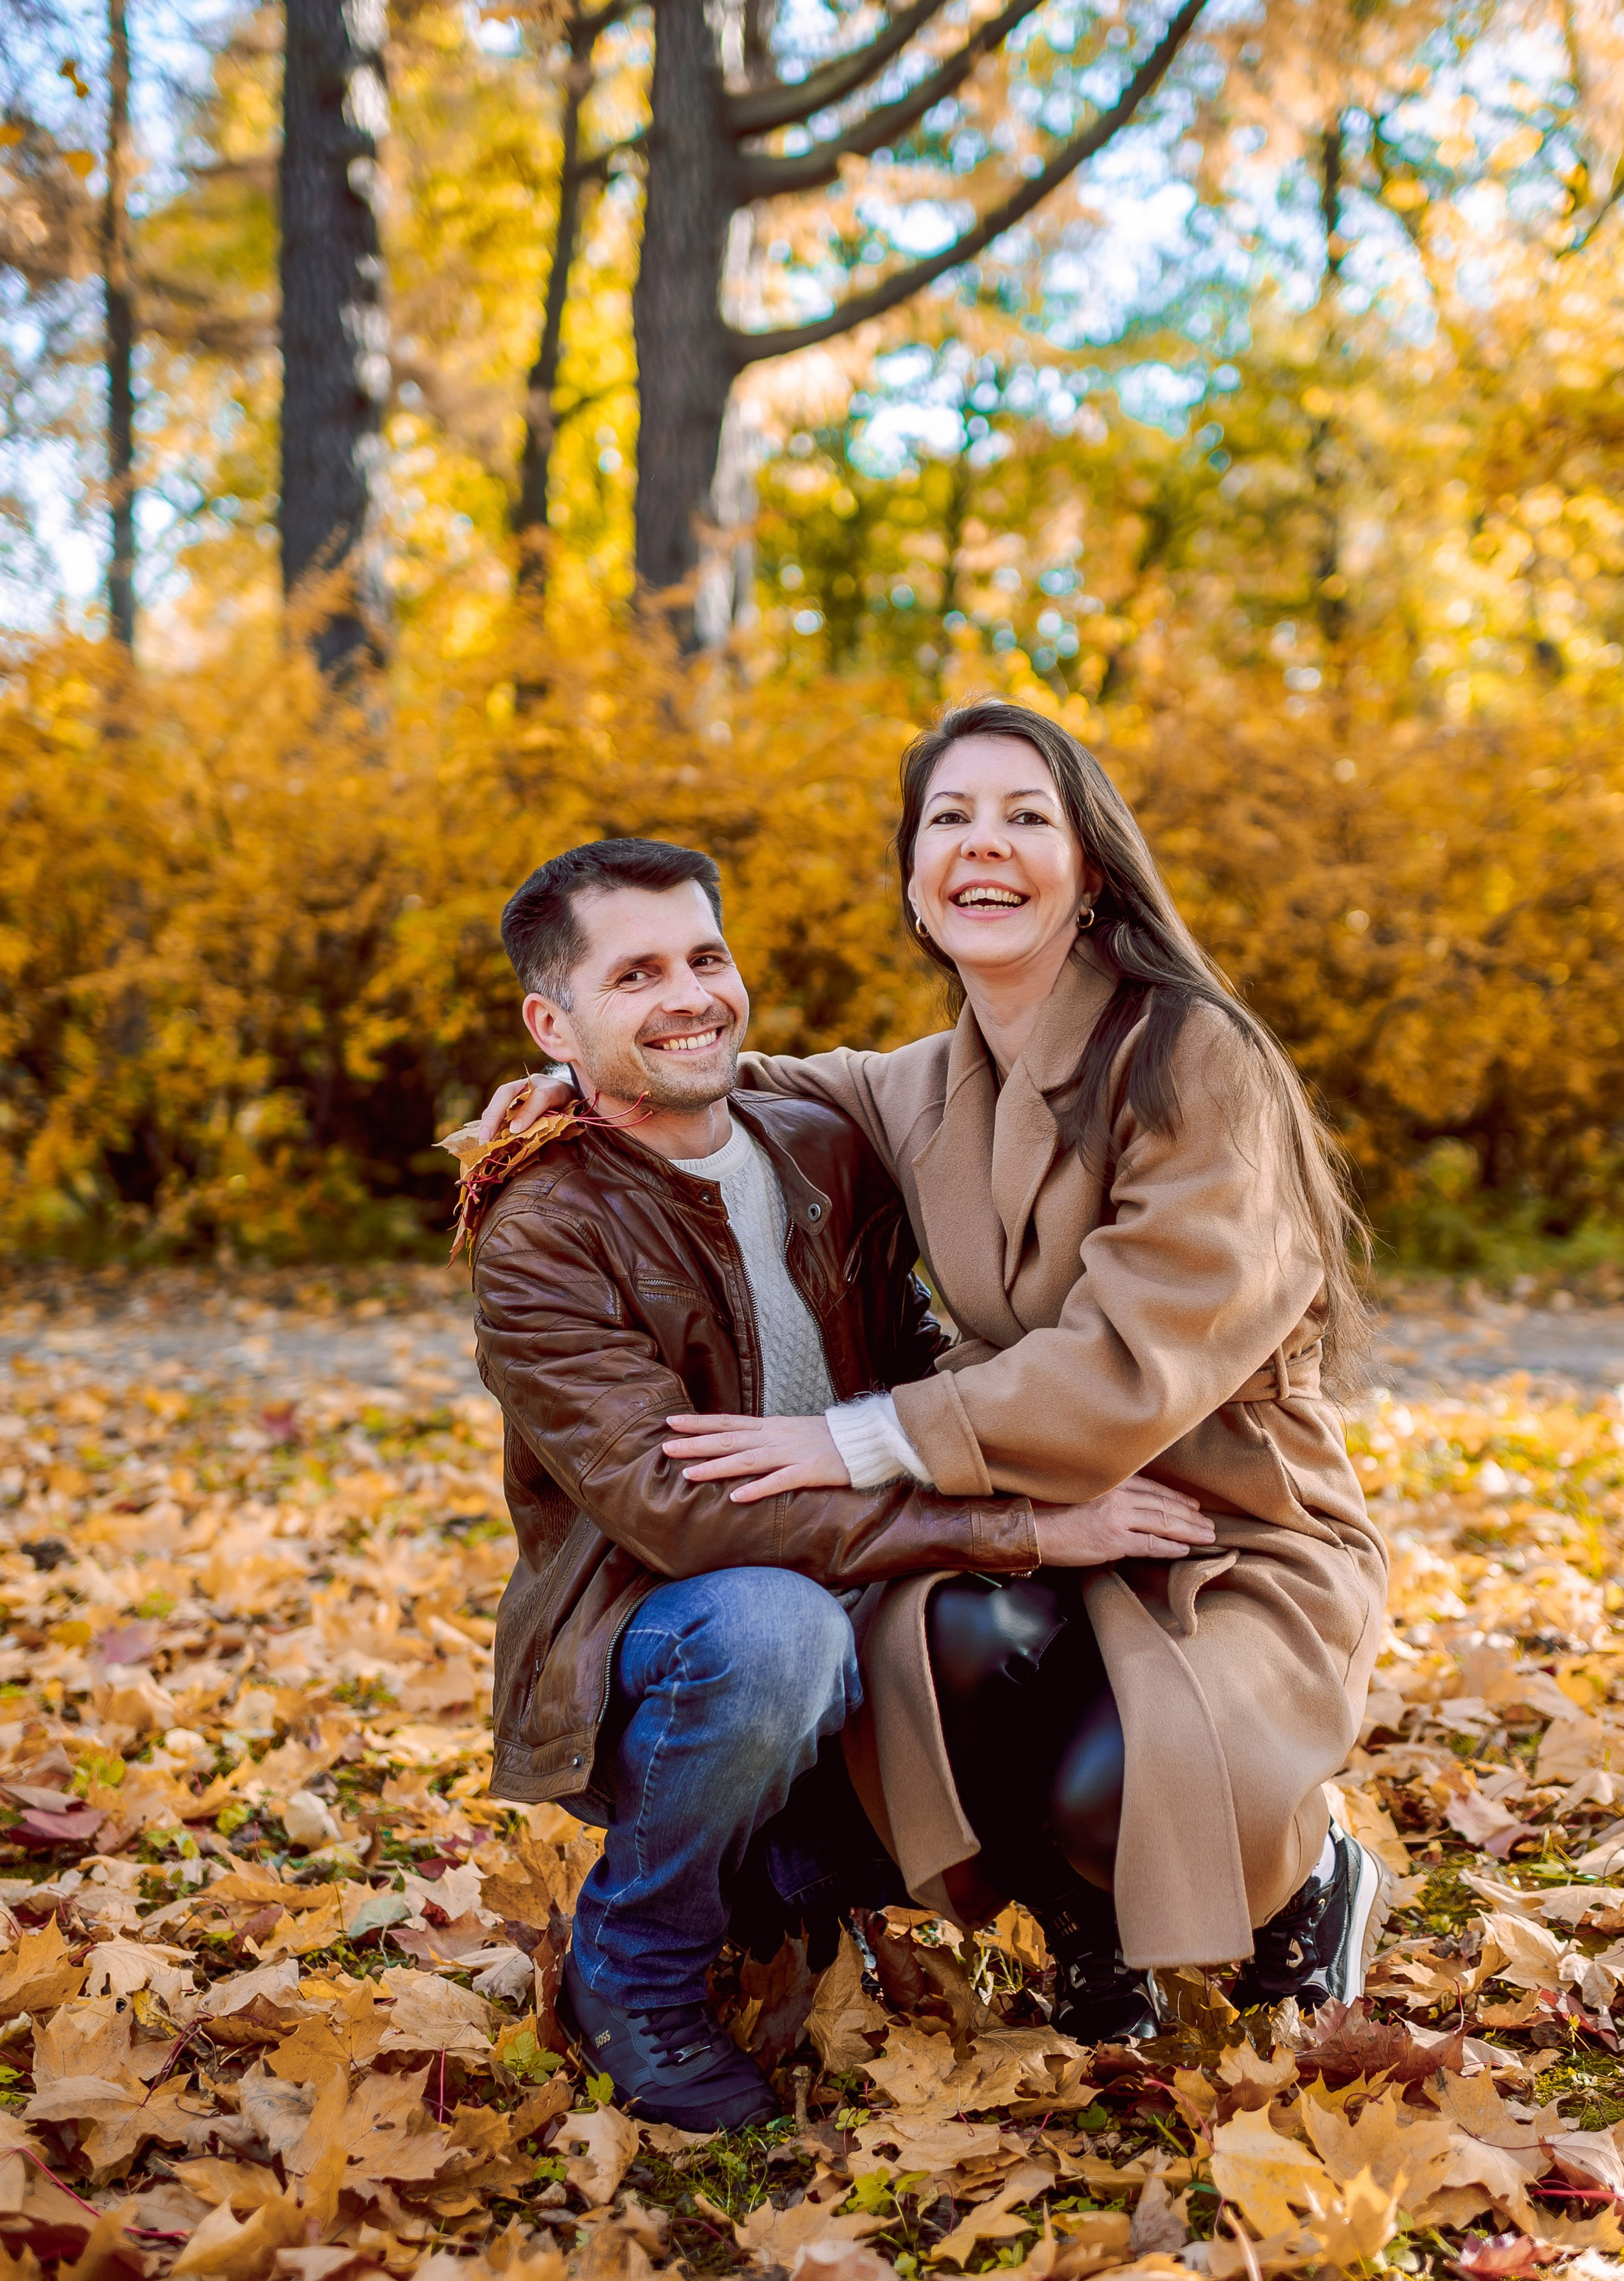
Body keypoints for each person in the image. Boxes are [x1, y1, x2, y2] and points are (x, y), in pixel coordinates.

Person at [486, 703, 1391, 2022]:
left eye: (1027, 816)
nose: (985, 844)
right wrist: (564, 1088)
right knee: (941, 1641)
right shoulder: (924, 1086)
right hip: (1033, 1512)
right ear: (915, 881)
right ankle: (1087, 1922)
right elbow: (713, 1069)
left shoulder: (1192, 1056)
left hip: (1219, 1521)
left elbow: (1129, 1366)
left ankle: (1313, 1879)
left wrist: (852, 1437)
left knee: (1120, 1788)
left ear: (1091, 868)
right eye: (950, 819)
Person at [462, 833, 1223, 2132]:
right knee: (780, 1632)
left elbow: (922, 1350)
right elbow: (681, 1513)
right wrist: (1016, 1528)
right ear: (553, 1023)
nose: (691, 996)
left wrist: (1034, 1493)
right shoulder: (542, 1228)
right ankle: (633, 1967)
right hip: (665, 1630)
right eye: (636, 976)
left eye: (706, 958)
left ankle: (887, 1893)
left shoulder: (820, 1145)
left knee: (1041, 1608)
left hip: (868, 1576)